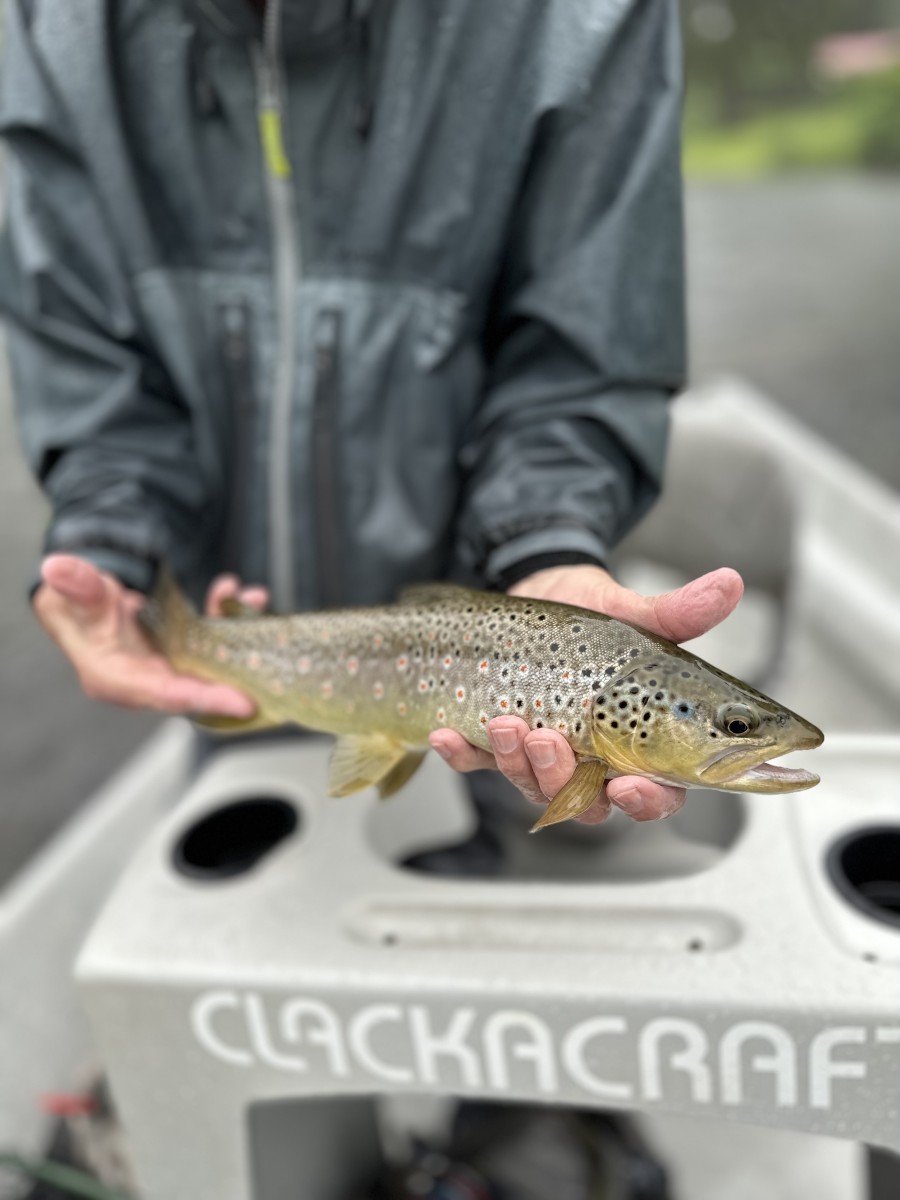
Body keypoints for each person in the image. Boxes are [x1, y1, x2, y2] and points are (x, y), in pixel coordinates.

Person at [0, 0, 743, 830]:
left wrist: (544, 539)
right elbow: (86, 361)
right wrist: (113, 547)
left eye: (733, 728)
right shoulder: (45, 23)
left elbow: (584, 356)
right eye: (734, 727)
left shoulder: (591, 17)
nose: (739, 736)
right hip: (231, 664)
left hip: (503, 689)